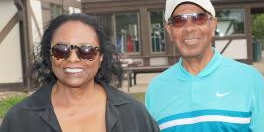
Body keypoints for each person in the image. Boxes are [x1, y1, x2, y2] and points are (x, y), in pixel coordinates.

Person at [0, 13, 160, 132]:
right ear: (49, 55)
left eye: (86, 51)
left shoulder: (133, 114)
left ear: (101, 57)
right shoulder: (20, 119)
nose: (73, 59)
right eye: (61, 50)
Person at [145, 0, 264, 132]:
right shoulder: (155, 90)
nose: (189, 28)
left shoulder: (250, 79)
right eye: (179, 21)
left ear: (212, 25)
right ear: (169, 30)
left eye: (199, 18)